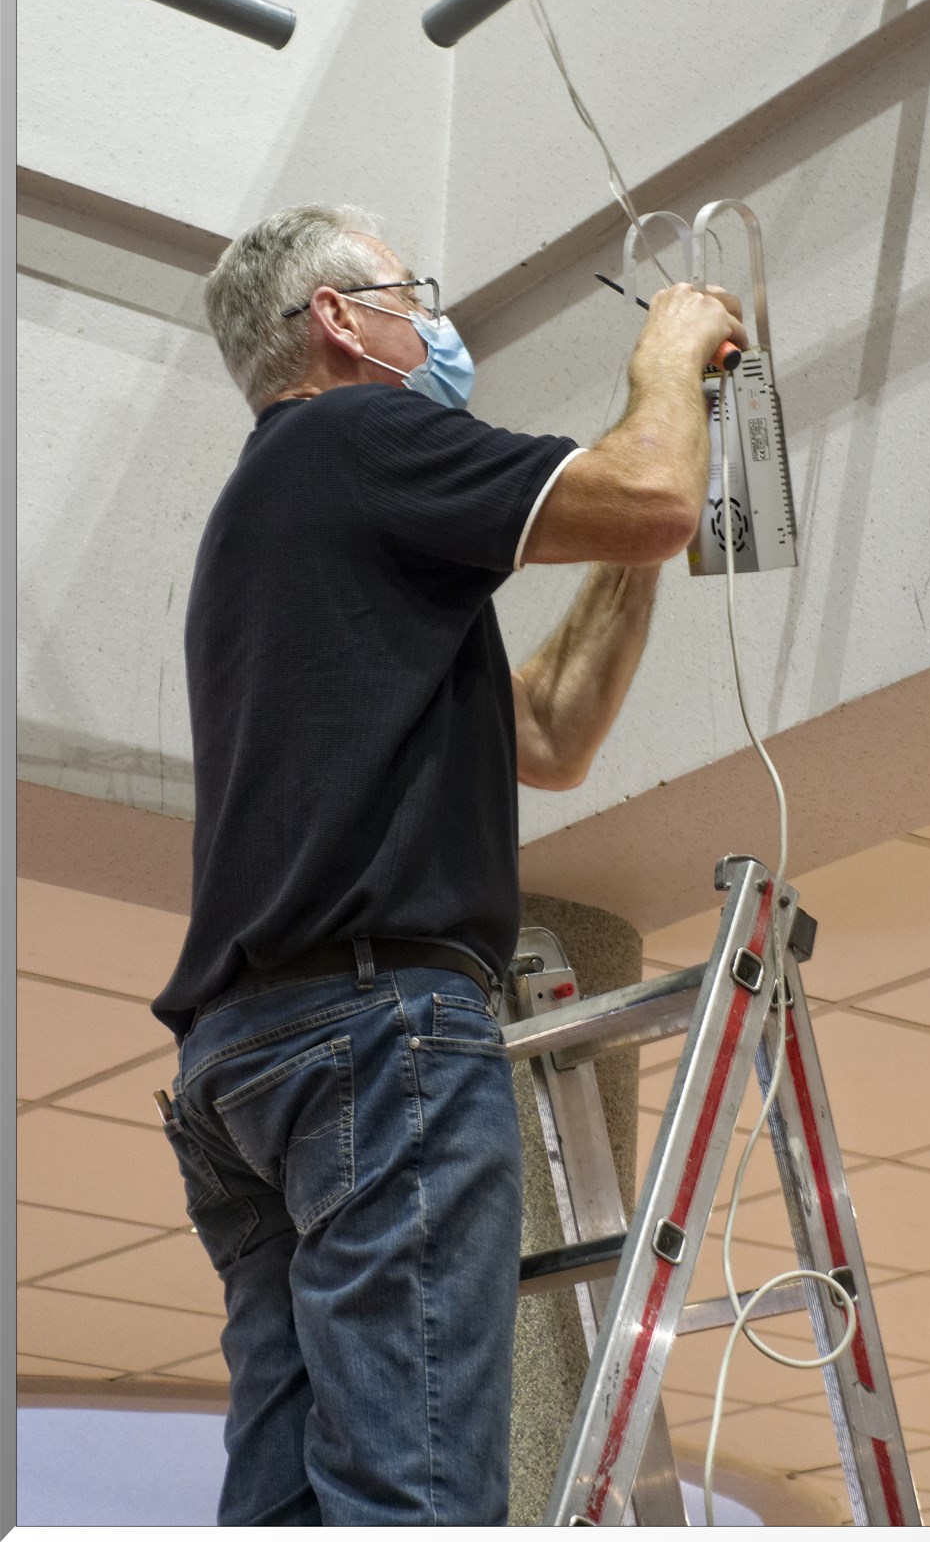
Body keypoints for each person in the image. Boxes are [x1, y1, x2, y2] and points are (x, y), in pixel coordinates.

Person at [151, 203, 746, 1526]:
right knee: (413, 1495)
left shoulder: (290, 513)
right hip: (373, 1035)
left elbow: (549, 733)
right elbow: (648, 496)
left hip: (254, 1060)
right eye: (410, 292)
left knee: (300, 1500)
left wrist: (636, 546)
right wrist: (668, 360)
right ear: (338, 321)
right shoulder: (354, 434)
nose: (435, 322)